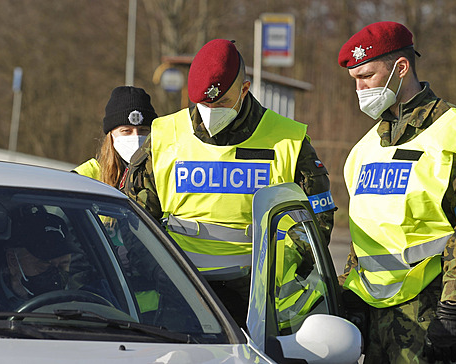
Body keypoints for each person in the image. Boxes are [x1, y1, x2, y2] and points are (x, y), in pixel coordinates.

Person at [124, 39, 336, 327]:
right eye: (204, 103)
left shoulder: (288, 140)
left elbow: (316, 221)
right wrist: (159, 273)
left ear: (245, 90)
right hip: (179, 290)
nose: (212, 110)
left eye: (222, 101)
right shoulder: (164, 135)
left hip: (258, 299)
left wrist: (274, 274)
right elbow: (136, 218)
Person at [336, 21, 456, 363]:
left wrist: (452, 310)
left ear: (401, 68)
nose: (360, 88)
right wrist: (349, 295)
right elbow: (365, 233)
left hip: (434, 312)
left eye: (367, 76)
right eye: (354, 80)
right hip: (377, 316)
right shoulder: (366, 147)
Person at [74, 86, 158, 190]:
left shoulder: (161, 171)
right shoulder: (84, 177)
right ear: (111, 135)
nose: (136, 137)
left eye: (143, 130)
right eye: (126, 131)